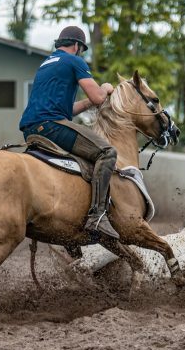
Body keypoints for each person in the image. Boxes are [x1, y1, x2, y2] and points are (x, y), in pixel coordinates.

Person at [19, 26, 119, 240]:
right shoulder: (75, 61)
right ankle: (97, 217)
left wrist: (88, 103)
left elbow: (68, 109)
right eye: (81, 49)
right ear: (77, 46)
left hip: (31, 129)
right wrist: (106, 88)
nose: (81, 52)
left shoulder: (45, 64)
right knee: (107, 153)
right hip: (51, 126)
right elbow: (99, 98)